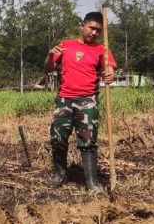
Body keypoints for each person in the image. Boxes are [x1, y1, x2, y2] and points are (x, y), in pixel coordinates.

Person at [44, 11, 116, 195]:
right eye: (91, 28)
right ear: (82, 26)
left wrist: (110, 73)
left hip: (88, 101)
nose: (94, 33)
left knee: (88, 142)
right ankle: (60, 175)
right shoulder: (66, 45)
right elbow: (48, 68)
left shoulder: (102, 50)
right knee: (58, 139)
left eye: (98, 30)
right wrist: (49, 55)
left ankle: (91, 182)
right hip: (64, 100)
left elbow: (109, 68)